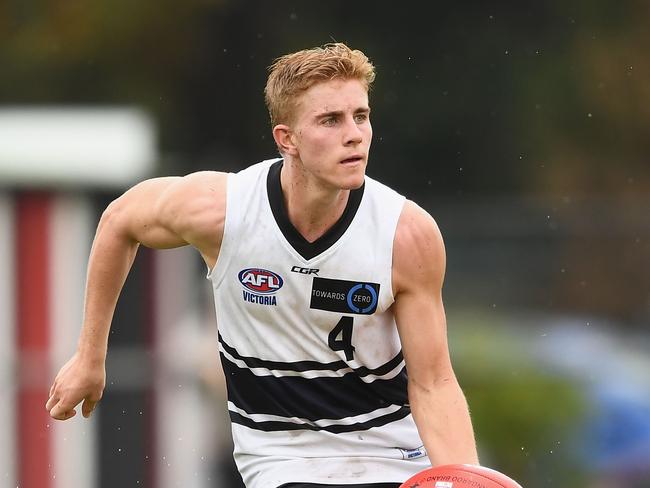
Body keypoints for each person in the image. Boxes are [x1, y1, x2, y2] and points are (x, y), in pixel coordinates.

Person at [46, 43, 479, 487]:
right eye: (330, 120)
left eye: (361, 116)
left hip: (395, 455)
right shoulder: (223, 211)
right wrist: (89, 356)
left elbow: (433, 383)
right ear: (286, 139)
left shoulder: (406, 235)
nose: (354, 134)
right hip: (283, 457)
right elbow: (119, 221)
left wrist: (468, 479)